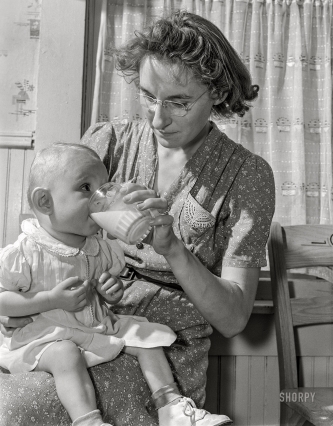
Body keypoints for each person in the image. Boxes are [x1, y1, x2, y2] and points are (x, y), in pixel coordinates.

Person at [0, 10, 275, 425]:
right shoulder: (108, 142)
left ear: (217, 93)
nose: (158, 118)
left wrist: (173, 248)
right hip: (77, 317)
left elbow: (234, 318)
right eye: (148, 96)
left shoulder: (247, 175)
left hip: (162, 344)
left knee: (23, 406)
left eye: (178, 103)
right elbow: (47, 237)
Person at [0, 143, 231, 426]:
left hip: (92, 326)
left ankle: (171, 406)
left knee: (145, 335)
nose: (100, 198)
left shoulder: (100, 248)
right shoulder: (26, 252)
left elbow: (104, 292)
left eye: (104, 186)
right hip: (46, 337)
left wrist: (110, 292)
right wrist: (50, 300)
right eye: (86, 188)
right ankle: (88, 421)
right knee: (65, 354)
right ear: (45, 202)